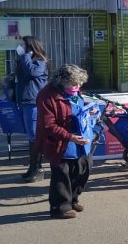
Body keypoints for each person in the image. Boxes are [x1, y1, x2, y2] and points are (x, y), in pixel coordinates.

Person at [35, 65, 94, 219]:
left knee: (83, 169)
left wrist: (89, 109)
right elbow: (49, 125)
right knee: (62, 175)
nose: (78, 87)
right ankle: (59, 207)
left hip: (79, 139)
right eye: (74, 84)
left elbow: (75, 106)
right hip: (59, 142)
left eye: (80, 84)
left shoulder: (73, 90)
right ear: (62, 81)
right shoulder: (46, 96)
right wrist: (70, 137)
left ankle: (73, 199)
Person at [14, 36, 49, 183]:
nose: (20, 47)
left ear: (30, 47)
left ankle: (38, 168)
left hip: (34, 103)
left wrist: (26, 56)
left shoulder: (40, 62)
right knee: (31, 136)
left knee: (35, 136)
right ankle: (32, 166)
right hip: (25, 102)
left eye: (23, 45)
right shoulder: (25, 60)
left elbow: (32, 72)